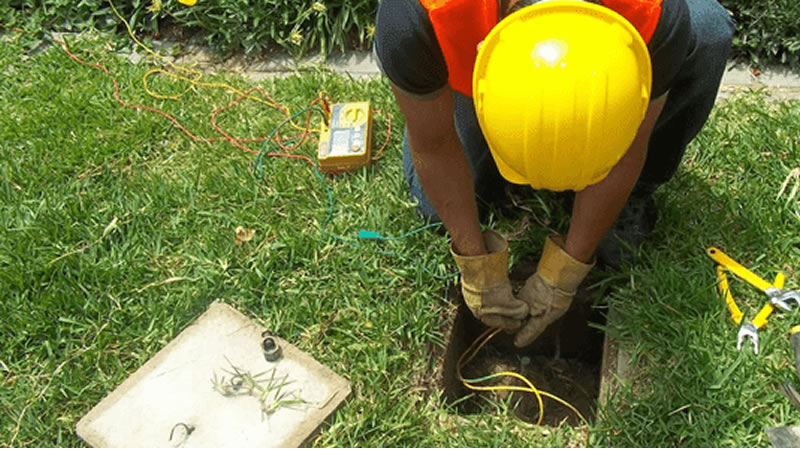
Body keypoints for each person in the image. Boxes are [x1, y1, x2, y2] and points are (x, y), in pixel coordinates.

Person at [374, 0, 734, 347]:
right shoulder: (417, 14)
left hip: (629, 50)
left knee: (706, 29)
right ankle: (460, 113)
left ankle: (631, 195)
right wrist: (476, 266)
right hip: (464, 67)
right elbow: (434, 146)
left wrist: (565, 271)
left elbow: (628, 147)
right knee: (436, 210)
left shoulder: (651, 16)